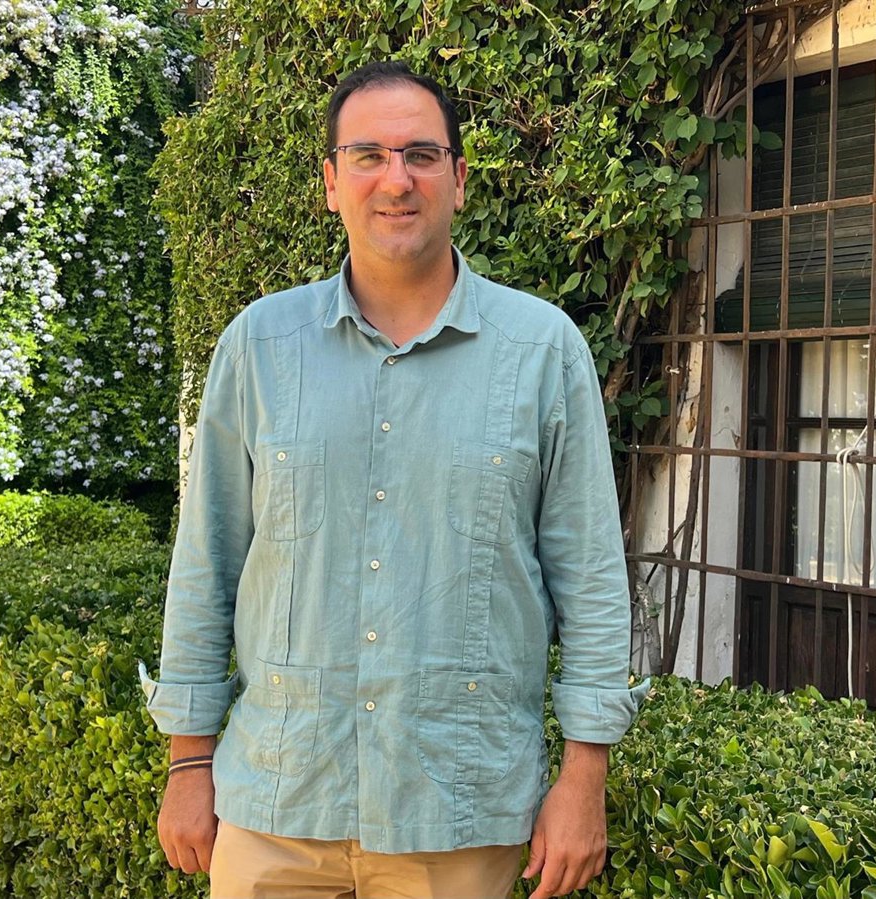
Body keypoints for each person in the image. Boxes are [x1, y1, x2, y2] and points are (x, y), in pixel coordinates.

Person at [138, 60, 650, 899]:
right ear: (330, 182)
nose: (396, 179)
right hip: (277, 803)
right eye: (368, 155)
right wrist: (188, 763)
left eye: (420, 154)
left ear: (460, 178)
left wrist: (583, 777)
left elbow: (590, 577)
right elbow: (206, 563)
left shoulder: (543, 352)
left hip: (458, 816)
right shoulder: (259, 348)